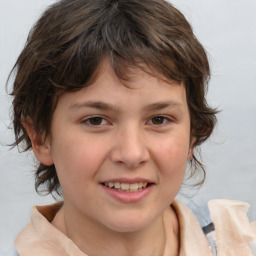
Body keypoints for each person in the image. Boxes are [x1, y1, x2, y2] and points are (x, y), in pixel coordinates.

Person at [8, 0, 256, 255]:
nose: (132, 154)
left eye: (158, 120)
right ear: (40, 138)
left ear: (192, 135)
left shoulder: (240, 242)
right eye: (96, 120)